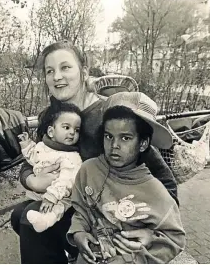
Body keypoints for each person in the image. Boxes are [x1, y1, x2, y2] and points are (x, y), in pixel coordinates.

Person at [10, 41, 178, 264]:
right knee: (19, 215)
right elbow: (35, 159)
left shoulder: (109, 117)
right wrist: (31, 180)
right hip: (72, 201)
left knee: (30, 221)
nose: (57, 76)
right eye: (50, 71)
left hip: (110, 213)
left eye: (65, 67)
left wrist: (154, 233)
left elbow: (165, 181)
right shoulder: (49, 116)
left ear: (84, 72)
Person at [67, 92, 185, 264]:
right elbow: (82, 210)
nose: (115, 145)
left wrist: (135, 259)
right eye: (109, 136)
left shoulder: (156, 191)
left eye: (125, 138)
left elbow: (175, 239)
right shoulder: (88, 170)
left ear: (143, 143)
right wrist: (78, 233)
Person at [17, 99, 82, 233]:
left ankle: (46, 221)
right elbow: (33, 158)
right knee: (20, 214)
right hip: (39, 194)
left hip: (60, 196)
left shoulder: (71, 157)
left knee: (59, 207)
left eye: (76, 130)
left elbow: (67, 180)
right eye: (66, 127)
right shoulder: (43, 146)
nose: (72, 133)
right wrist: (26, 146)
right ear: (51, 132)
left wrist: (52, 197)